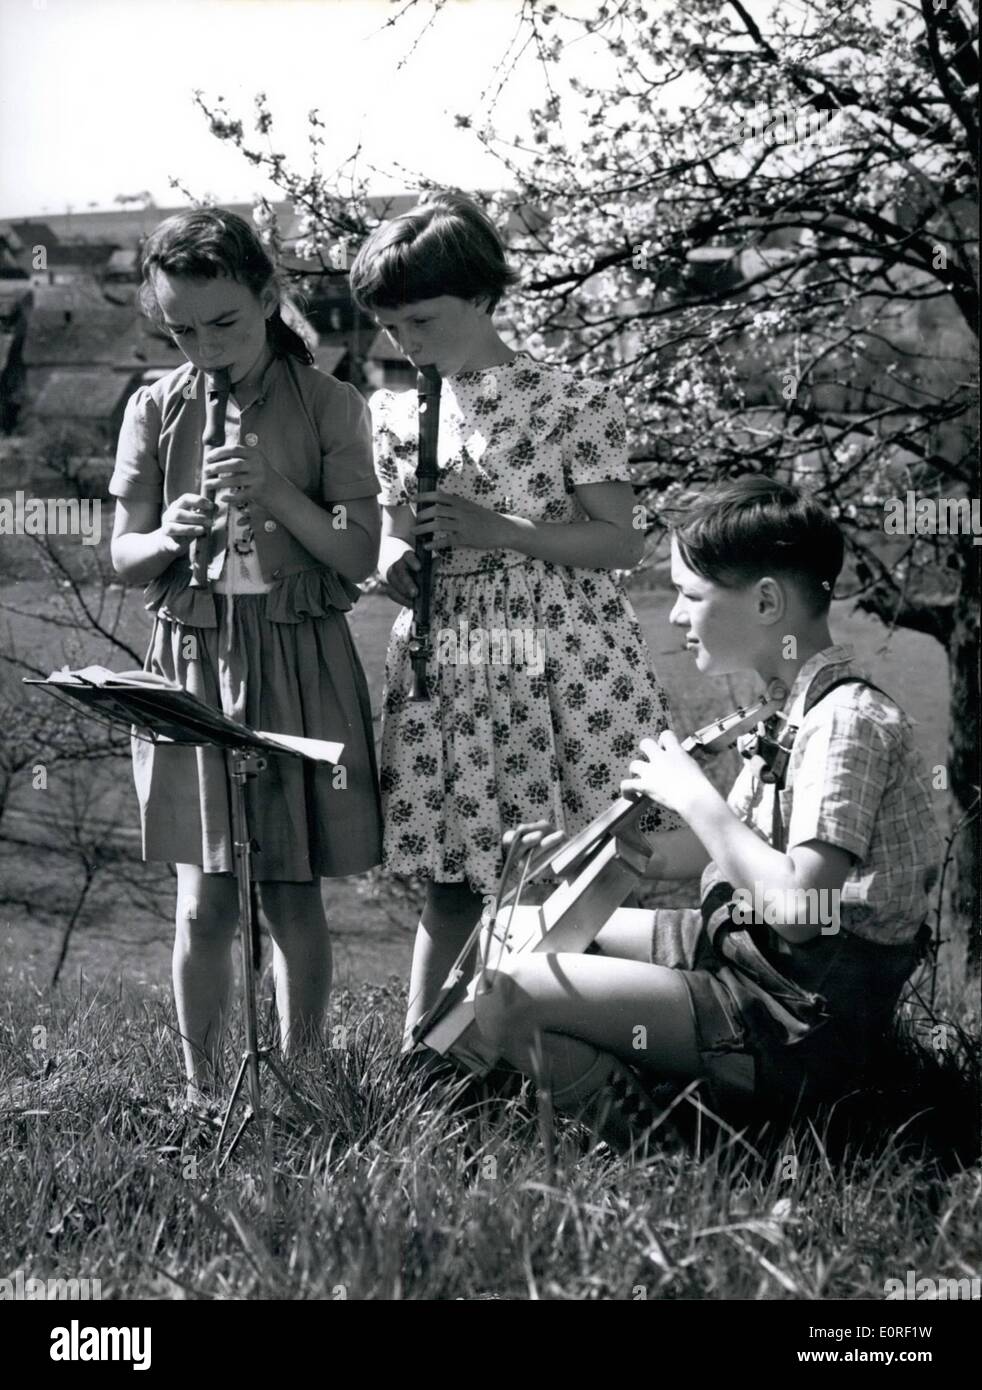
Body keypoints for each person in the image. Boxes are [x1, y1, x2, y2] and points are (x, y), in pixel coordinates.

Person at [464, 477, 942, 1146]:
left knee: (511, 991)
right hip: (749, 957)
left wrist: (695, 794)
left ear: (767, 601)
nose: (675, 617)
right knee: (517, 926)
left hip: (790, 1019)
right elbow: (720, 851)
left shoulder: (846, 724)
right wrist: (575, 855)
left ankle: (666, 1151)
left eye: (691, 596)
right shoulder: (792, 707)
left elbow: (803, 914)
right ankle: (548, 1088)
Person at [348, 191, 680, 1044]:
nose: (406, 343)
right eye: (390, 327)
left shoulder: (573, 403)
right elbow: (388, 542)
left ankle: (567, 1055)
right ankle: (428, 1061)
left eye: (420, 320)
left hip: (564, 652)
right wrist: (398, 567)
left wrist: (501, 531)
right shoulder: (392, 413)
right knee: (457, 878)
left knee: (571, 868)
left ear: (484, 297)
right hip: (452, 656)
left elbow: (619, 544)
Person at [109, 208, 383, 1106]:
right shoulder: (157, 405)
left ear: (270, 299)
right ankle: (200, 1092)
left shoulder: (333, 404)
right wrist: (165, 537)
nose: (204, 346)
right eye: (182, 329)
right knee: (204, 898)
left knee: (292, 893)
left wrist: (277, 495)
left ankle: (303, 1084)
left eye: (224, 323)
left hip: (296, 655)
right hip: (193, 657)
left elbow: (354, 553)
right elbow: (121, 555)